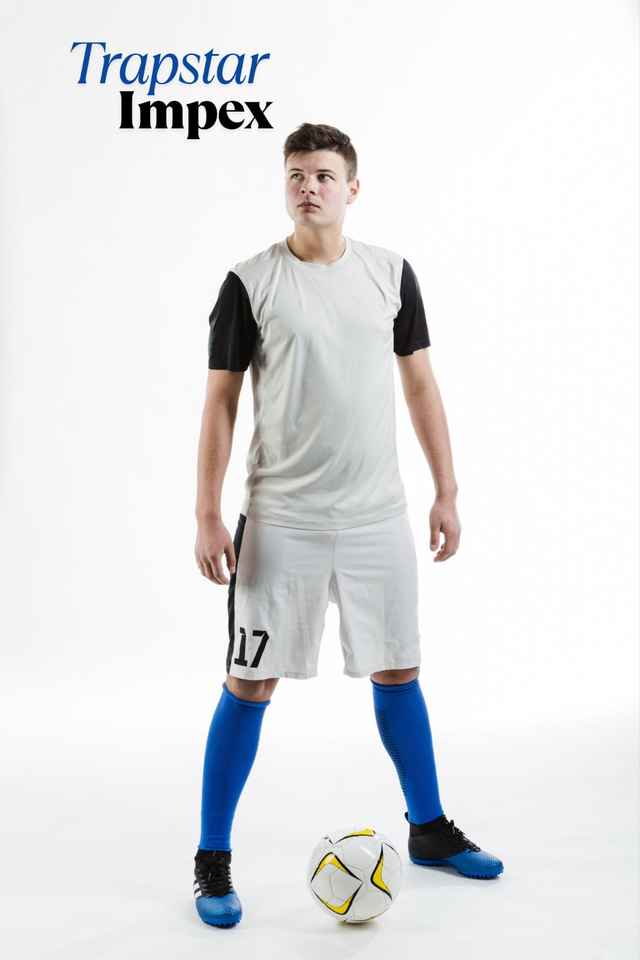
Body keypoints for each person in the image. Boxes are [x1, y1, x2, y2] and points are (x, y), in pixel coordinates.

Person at [192, 122, 504, 928]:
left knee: (398, 669)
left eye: (324, 175)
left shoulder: (390, 274)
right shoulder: (250, 282)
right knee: (249, 682)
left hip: (376, 516)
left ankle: (429, 830)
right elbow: (221, 401)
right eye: (296, 174)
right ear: (285, 185)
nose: (309, 187)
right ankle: (212, 858)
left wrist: (447, 491)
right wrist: (206, 513)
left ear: (352, 188)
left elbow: (421, 385)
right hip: (282, 519)